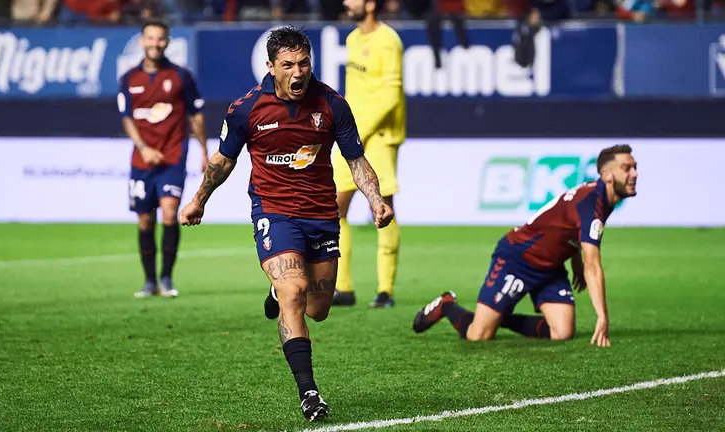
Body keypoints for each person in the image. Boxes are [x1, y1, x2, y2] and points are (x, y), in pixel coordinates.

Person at [179, 26, 393, 421]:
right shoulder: (246, 108)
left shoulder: (332, 104)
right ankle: (309, 392)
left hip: (322, 214)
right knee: (294, 290)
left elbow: (356, 161)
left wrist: (375, 199)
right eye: (288, 65)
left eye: (304, 63)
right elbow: (222, 162)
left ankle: (278, 295)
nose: (298, 72)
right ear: (271, 67)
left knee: (318, 308)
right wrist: (197, 201)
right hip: (273, 211)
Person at [412, 145, 638, 348]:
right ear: (607, 175)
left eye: (634, 167)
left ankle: (500, 316)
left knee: (562, 332)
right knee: (478, 335)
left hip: (550, 266)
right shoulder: (593, 203)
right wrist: (602, 316)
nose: (634, 174)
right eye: (627, 168)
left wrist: (574, 257)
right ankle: (447, 305)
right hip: (518, 258)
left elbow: (567, 226)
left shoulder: (598, 197)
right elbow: (593, 266)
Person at [117, 20, 207, 299]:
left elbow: (196, 115)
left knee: (169, 213)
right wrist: (143, 147)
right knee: (144, 221)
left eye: (161, 39)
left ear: (167, 42)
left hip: (172, 157)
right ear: (142, 41)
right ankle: (149, 281)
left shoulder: (181, 76)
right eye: (151, 38)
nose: (156, 43)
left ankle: (166, 278)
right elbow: (127, 118)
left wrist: (204, 151)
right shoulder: (128, 79)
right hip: (142, 160)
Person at [331, 0, 406, 308]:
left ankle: (385, 290)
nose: (347, 2)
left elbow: (391, 94)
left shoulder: (389, 41)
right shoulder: (352, 39)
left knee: (383, 209)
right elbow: (353, 93)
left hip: (380, 137)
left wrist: (360, 131)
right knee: (335, 208)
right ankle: (343, 288)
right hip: (353, 136)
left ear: (371, 4)